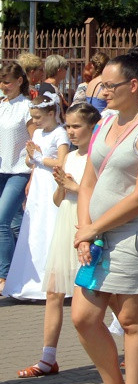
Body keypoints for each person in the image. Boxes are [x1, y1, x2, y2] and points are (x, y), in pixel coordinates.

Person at [71, 45, 138, 384]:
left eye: (110, 87)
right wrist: (85, 230)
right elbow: (87, 182)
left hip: (135, 235)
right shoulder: (106, 121)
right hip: (96, 237)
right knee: (83, 317)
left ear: (133, 86)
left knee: (131, 321)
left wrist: (93, 229)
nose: (103, 92)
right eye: (101, 87)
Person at [17, 103, 101, 378]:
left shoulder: (98, 159)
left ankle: (118, 348)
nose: (71, 132)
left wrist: (76, 187)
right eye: (68, 126)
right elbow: (59, 199)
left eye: (77, 126)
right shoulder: (70, 158)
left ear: (93, 128)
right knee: (53, 293)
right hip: (65, 223)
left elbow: (100, 196)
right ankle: (47, 358)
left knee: (101, 293)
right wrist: (62, 187)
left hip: (88, 227)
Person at [4, 94, 69, 300]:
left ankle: (54, 281)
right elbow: (32, 163)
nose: (35, 122)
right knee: (34, 229)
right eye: (33, 117)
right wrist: (31, 159)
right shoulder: (39, 134)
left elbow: (62, 161)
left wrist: (40, 157)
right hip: (39, 183)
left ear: (51, 113)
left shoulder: (60, 134)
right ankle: (30, 281)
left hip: (51, 183)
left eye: (39, 117)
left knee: (50, 226)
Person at [0, 63, 35, 296]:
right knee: (15, 224)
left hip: (18, 170)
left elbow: (35, 142)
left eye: (7, 82)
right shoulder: (1, 105)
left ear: (20, 81)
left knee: (1, 220)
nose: (3, 86)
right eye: (1, 81)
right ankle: (24, 270)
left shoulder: (27, 108)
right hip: (1, 169)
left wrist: (33, 174)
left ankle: (4, 275)